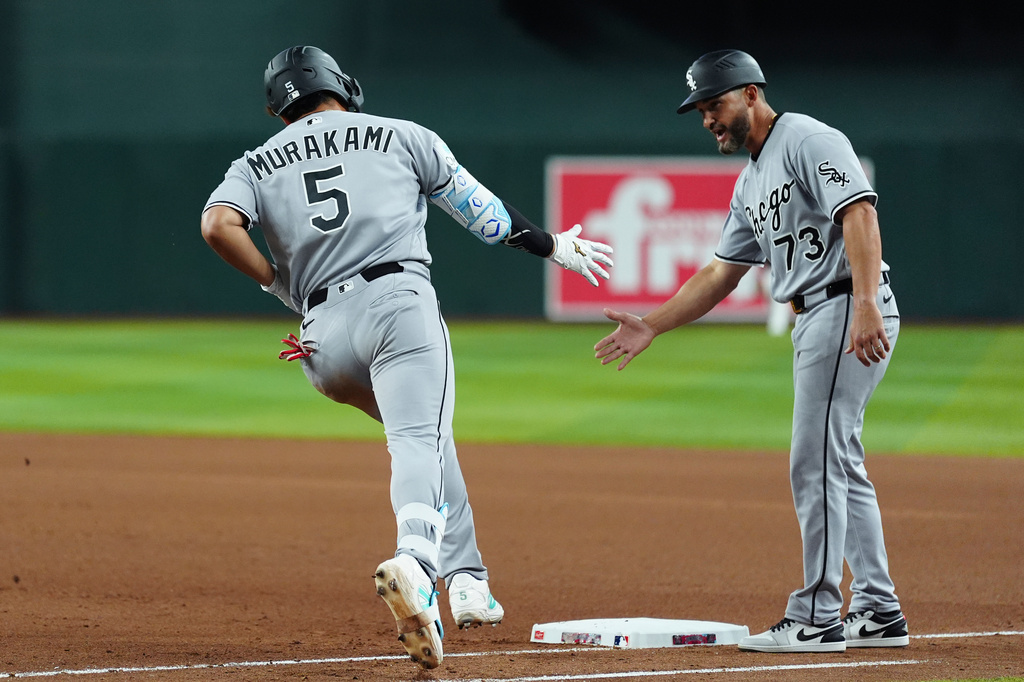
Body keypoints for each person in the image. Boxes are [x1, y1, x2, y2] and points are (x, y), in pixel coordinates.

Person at [201, 45, 613, 670]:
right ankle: (418, 565)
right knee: (419, 438)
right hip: (396, 304)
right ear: (342, 86)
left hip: (320, 342)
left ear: (277, 108)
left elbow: (216, 226)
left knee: (425, 435)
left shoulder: (255, 163)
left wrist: (283, 287)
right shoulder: (401, 135)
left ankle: (468, 579)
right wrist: (551, 244)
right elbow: (486, 217)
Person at [594, 49, 907, 653]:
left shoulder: (807, 139)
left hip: (844, 304)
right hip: (819, 314)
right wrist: (653, 325)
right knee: (837, 458)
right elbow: (719, 274)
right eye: (702, 110)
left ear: (752, 94)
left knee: (812, 461)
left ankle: (818, 615)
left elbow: (859, 214)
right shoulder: (751, 180)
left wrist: (865, 301)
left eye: (715, 104)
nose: (708, 119)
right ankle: (878, 609)